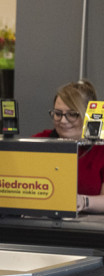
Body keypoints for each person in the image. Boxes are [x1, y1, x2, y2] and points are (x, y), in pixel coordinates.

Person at [32, 80, 104, 213]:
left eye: (72, 114)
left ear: (89, 115)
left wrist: (83, 201)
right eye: (58, 114)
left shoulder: (101, 149)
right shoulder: (40, 141)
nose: (63, 121)